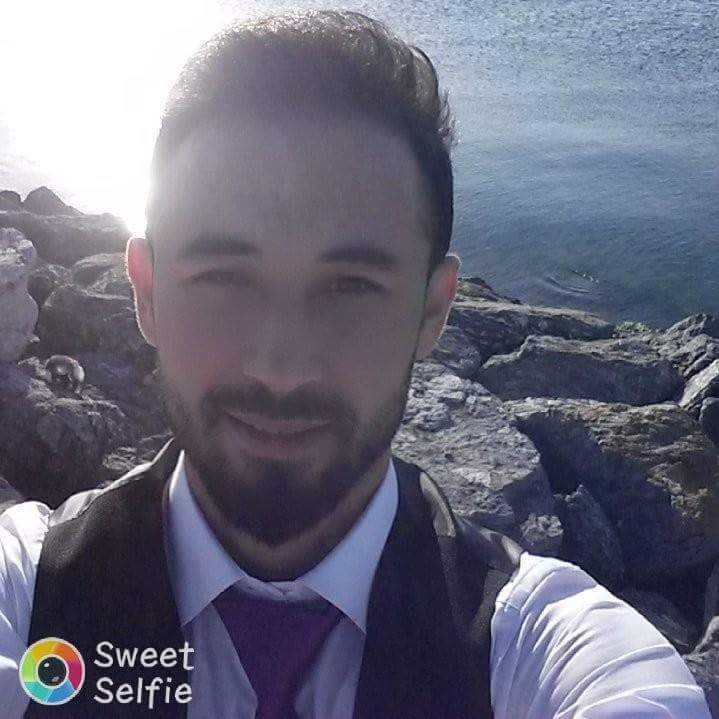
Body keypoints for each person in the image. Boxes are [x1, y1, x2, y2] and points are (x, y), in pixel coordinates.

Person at [0, 10, 712, 718]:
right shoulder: (28, 588)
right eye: (222, 276)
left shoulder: (542, 646)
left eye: (349, 286)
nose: (279, 367)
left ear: (433, 311)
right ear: (148, 294)